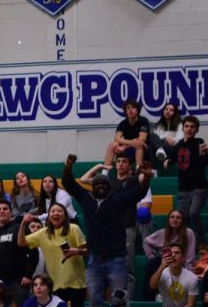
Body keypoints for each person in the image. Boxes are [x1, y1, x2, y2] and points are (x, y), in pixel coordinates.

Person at [62, 153, 152, 307]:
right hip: (94, 261)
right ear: (92, 187)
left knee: (118, 301)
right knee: (95, 300)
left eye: (104, 184)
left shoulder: (118, 200)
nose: (100, 186)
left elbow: (139, 192)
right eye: (97, 184)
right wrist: (68, 166)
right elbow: (67, 182)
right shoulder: (86, 199)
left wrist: (147, 177)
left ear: (109, 187)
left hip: (116, 259)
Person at [18, 204, 87, 307]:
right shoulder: (42, 233)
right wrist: (23, 223)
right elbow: (21, 242)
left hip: (76, 283)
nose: (56, 213)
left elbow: (88, 251)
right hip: (55, 285)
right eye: (53, 211)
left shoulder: (74, 228)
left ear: (65, 215)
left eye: (59, 211)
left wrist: (77, 251)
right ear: (48, 216)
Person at [161, 115, 207, 247]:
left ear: (196, 130)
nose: (189, 129)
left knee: (193, 213)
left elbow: (204, 160)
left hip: (199, 188)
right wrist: (168, 160)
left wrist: (205, 152)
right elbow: (172, 156)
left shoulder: (199, 142)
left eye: (192, 127)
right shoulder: (179, 144)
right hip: (184, 189)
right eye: (187, 126)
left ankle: (202, 244)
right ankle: (184, 245)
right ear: (183, 128)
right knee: (182, 218)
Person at [0, 199, 34, 307]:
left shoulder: (20, 228)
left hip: (17, 281)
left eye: (5, 209)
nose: (2, 211)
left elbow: (34, 253)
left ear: (11, 212)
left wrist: (28, 275)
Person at [143, 210, 197, 300]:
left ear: (182, 220)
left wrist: (188, 272)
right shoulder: (162, 233)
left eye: (178, 218)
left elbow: (190, 257)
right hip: (165, 262)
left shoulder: (189, 233)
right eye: (172, 217)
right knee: (151, 263)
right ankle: (151, 299)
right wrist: (150, 255)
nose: (175, 220)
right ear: (168, 220)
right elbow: (146, 241)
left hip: (181, 263)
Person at [103, 99, 149, 168]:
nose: (130, 110)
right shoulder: (123, 123)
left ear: (137, 110)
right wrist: (129, 143)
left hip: (141, 148)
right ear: (125, 111)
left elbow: (142, 139)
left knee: (138, 143)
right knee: (112, 144)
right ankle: (105, 173)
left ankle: (138, 170)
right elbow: (117, 138)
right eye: (128, 108)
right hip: (128, 148)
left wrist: (125, 146)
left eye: (133, 107)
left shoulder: (143, 121)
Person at [148, 243, 198, 307]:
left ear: (182, 257)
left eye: (177, 253)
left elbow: (191, 304)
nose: (173, 255)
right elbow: (152, 286)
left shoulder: (192, 277)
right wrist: (161, 267)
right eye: (171, 253)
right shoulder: (162, 273)